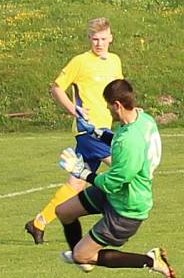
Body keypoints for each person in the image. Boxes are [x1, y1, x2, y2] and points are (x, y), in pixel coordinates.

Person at [55, 79, 174, 278]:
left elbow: (111, 183)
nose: (109, 110)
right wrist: (97, 132)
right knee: (64, 212)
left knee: (82, 255)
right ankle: (82, 255)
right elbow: (121, 139)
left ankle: (152, 260)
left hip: (127, 208)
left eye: (109, 105)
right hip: (117, 195)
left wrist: (81, 171)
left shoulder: (130, 142)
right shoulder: (143, 119)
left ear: (117, 105)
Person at [25, 17, 123, 244]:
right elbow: (57, 88)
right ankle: (117, 218)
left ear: (111, 38)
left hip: (104, 130)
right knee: (123, 165)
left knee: (76, 183)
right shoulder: (80, 62)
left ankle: (38, 222)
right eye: (95, 39)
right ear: (89, 39)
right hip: (88, 131)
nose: (99, 43)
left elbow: (118, 91)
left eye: (103, 39)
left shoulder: (115, 61)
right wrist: (74, 109)